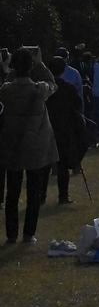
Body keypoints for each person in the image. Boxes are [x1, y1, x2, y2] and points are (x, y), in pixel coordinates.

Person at [0, 48, 58, 244]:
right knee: (34, 192)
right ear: (31, 67)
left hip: (12, 144)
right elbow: (53, 83)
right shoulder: (39, 89)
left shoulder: (5, 90)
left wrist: (5, 68)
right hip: (35, 145)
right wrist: (41, 63)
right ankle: (28, 234)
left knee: (12, 193)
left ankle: (11, 234)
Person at [44, 55, 88, 206]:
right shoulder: (68, 88)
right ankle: (63, 197)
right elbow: (78, 106)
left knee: (44, 165)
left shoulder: (45, 88)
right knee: (62, 165)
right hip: (64, 130)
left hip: (46, 128)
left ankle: (41, 196)